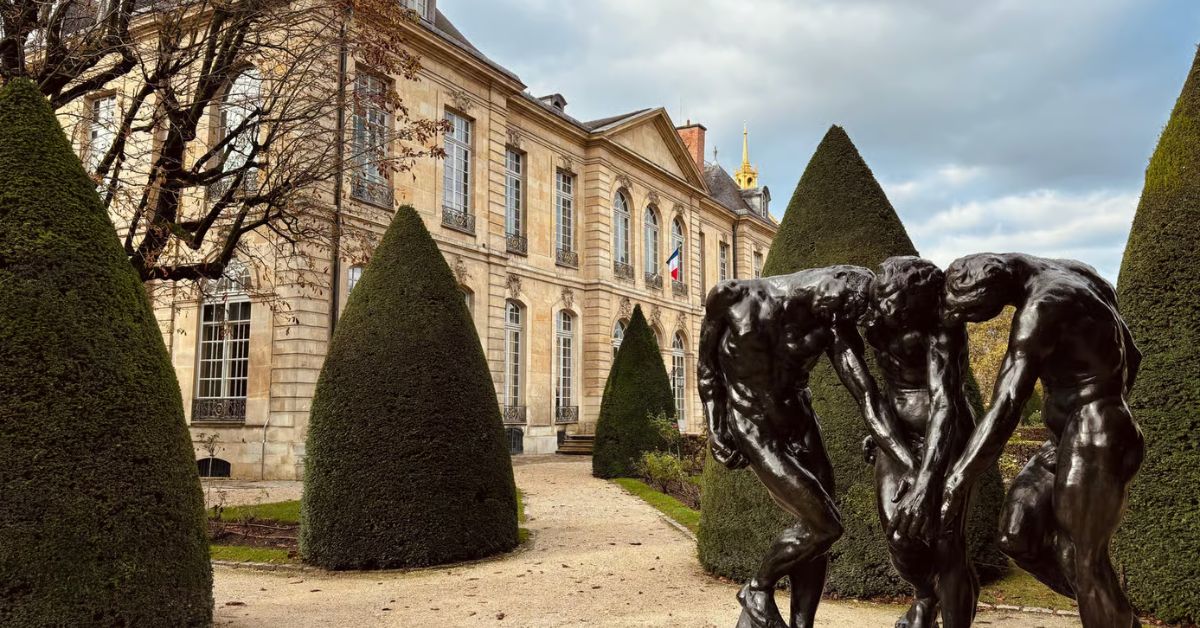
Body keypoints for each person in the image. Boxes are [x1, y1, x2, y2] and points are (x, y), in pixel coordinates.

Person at [698, 266, 916, 628]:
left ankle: (802, 624)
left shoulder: (831, 324)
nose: (837, 316)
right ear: (831, 279)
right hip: (753, 427)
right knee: (825, 525)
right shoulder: (731, 296)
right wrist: (715, 427)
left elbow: (867, 396)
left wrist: (904, 459)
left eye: (844, 313)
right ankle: (757, 587)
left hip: (800, 425)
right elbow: (707, 369)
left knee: (817, 532)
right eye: (839, 305)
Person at [939, 253, 1143, 628]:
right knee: (1016, 536)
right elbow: (1134, 354)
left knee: (1085, 561)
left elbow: (1006, 405)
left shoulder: (1040, 307)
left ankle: (1104, 603)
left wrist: (956, 480)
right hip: (1069, 436)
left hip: (1096, 432)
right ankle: (1114, 612)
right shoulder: (1081, 272)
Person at [859, 256, 980, 628]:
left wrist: (928, 479)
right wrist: (885, 435)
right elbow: (872, 389)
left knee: (946, 544)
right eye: (882, 300)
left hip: (947, 437)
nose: (884, 309)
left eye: (893, 302)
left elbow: (945, 403)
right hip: (897, 436)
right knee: (900, 534)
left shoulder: (943, 327)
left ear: (915, 300)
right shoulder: (874, 318)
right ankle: (926, 596)